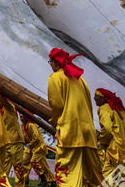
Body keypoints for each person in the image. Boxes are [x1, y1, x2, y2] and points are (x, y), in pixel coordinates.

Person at [47, 48, 102, 187]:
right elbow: (89, 105)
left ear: (54, 63)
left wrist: (55, 122)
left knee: (68, 174)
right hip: (87, 131)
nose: (50, 65)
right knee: (95, 174)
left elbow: (57, 104)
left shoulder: (55, 77)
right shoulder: (80, 80)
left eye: (50, 62)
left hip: (69, 131)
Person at [20, 115, 56, 187]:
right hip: (30, 147)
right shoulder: (22, 125)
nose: (21, 119)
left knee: (34, 162)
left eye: (22, 117)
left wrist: (30, 144)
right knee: (25, 162)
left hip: (38, 147)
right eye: (20, 117)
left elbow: (37, 139)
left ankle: (44, 180)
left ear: (26, 117)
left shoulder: (31, 125)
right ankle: (25, 181)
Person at [0, 97, 27, 185]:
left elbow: (3, 100)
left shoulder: (9, 106)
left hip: (16, 141)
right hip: (6, 142)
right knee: (3, 168)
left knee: (18, 167)